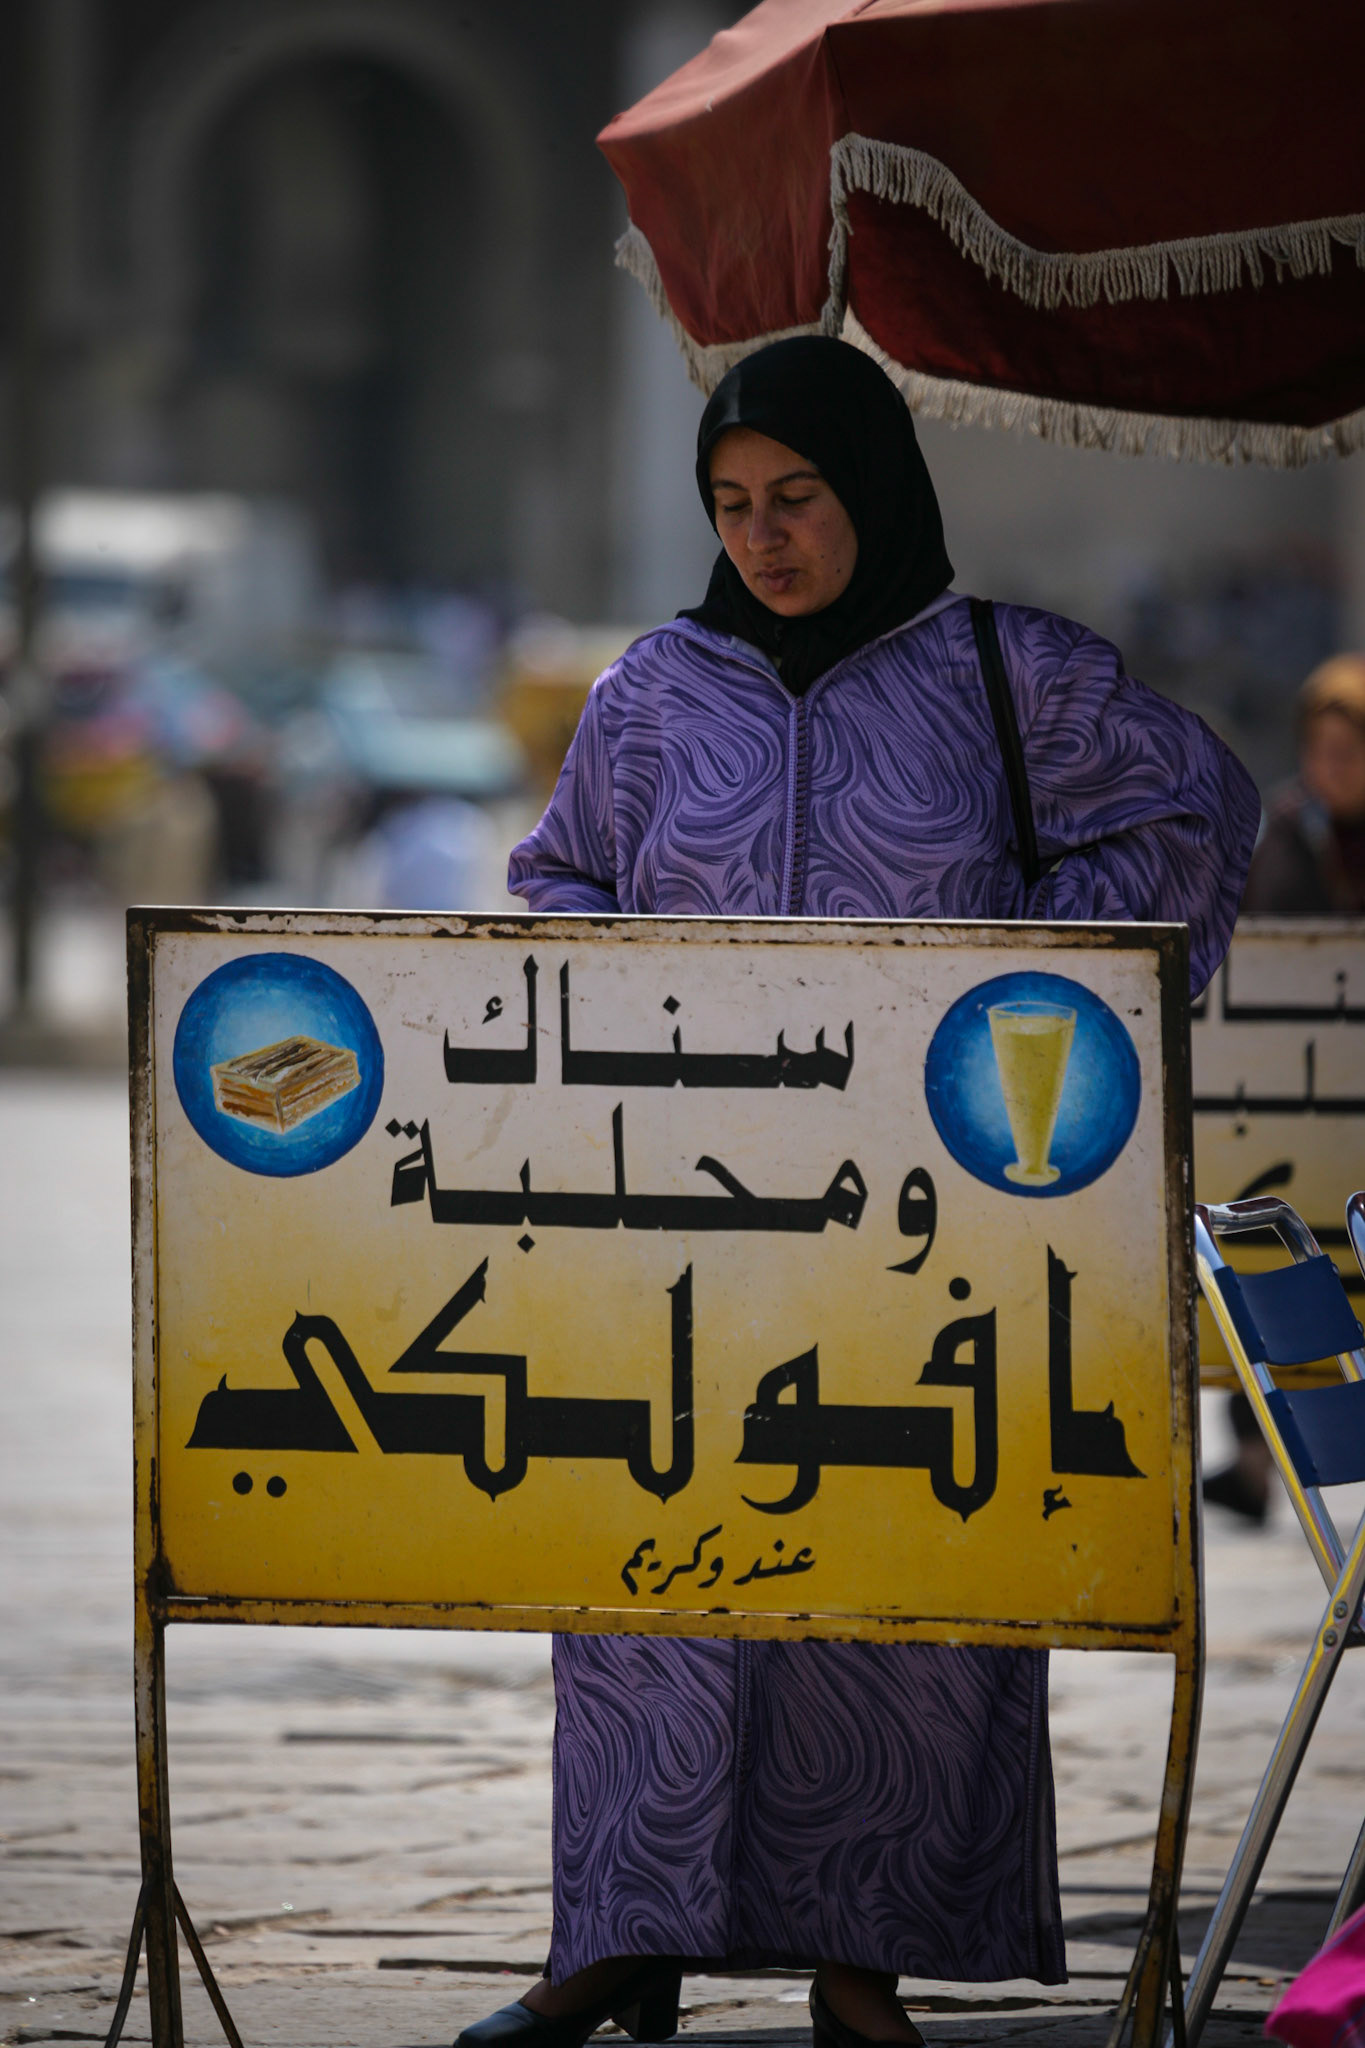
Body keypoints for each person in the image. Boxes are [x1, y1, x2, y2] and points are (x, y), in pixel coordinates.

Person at [458, 337, 1260, 2048]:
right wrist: (613, 974)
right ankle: (620, 1935)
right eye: (734, 505)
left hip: (927, 1241)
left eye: (798, 498)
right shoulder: (651, 692)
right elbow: (556, 882)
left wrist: (1021, 979)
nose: (764, 536)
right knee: (644, 1578)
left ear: (873, 489)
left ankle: (860, 1959)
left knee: (897, 1583)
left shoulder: (1005, 677)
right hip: (673, 1230)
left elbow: (1196, 810)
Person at [1203, 653, 1365, 1522]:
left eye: (1350, 752)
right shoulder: (1288, 833)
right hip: (1292, 1091)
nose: (1331, 768)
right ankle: (1260, 1456)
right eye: (1322, 750)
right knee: (1276, 1245)